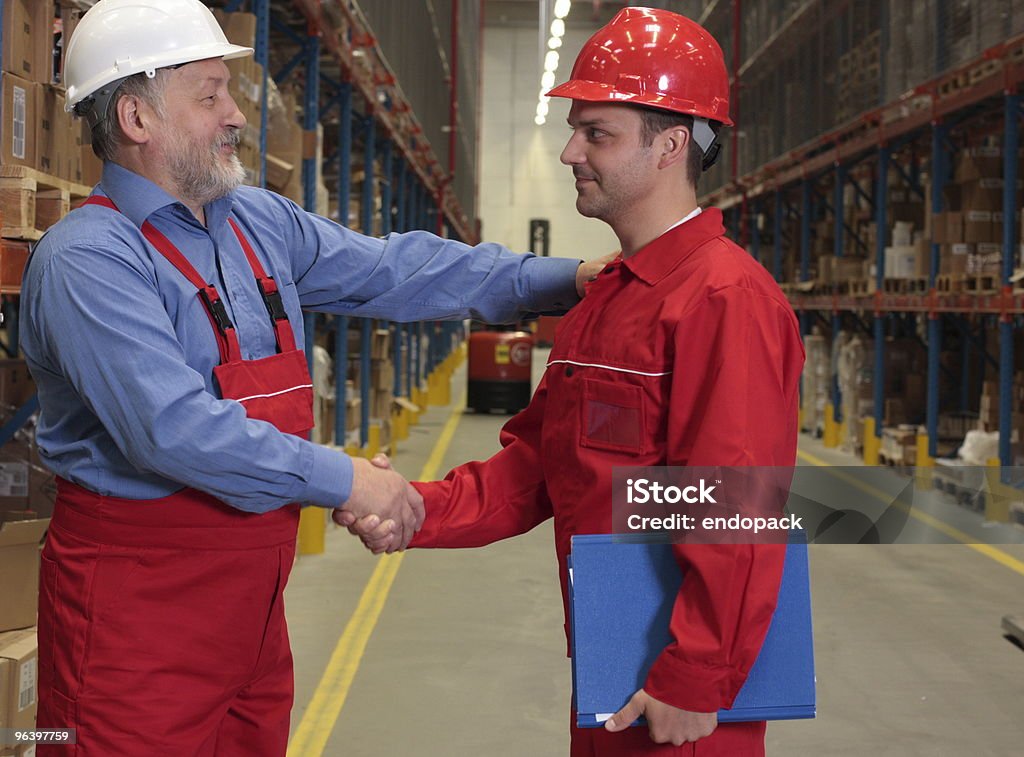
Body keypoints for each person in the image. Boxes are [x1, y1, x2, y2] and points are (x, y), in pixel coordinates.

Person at [21, 1, 606, 754]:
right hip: (129, 627)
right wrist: (348, 479)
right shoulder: (87, 260)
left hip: (252, 617)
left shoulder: (256, 222)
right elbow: (174, 429)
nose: (236, 115)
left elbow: (395, 270)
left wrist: (568, 279)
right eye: (210, 95)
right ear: (136, 116)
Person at [344, 8, 805, 756]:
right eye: (575, 128)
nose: (569, 152)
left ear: (672, 146)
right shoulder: (605, 301)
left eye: (598, 132)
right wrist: (412, 508)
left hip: (679, 696)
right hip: (611, 661)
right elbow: (537, 470)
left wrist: (698, 675)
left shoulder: (725, 299)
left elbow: (735, 504)